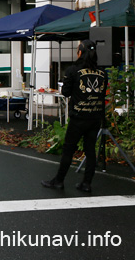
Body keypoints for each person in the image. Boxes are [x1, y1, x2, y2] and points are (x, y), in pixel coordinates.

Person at [41, 39, 107, 193]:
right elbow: (102, 94)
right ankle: (86, 183)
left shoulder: (73, 70)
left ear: (80, 52)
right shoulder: (102, 72)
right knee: (90, 150)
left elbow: (65, 92)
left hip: (78, 116)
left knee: (68, 149)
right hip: (95, 116)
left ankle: (59, 180)